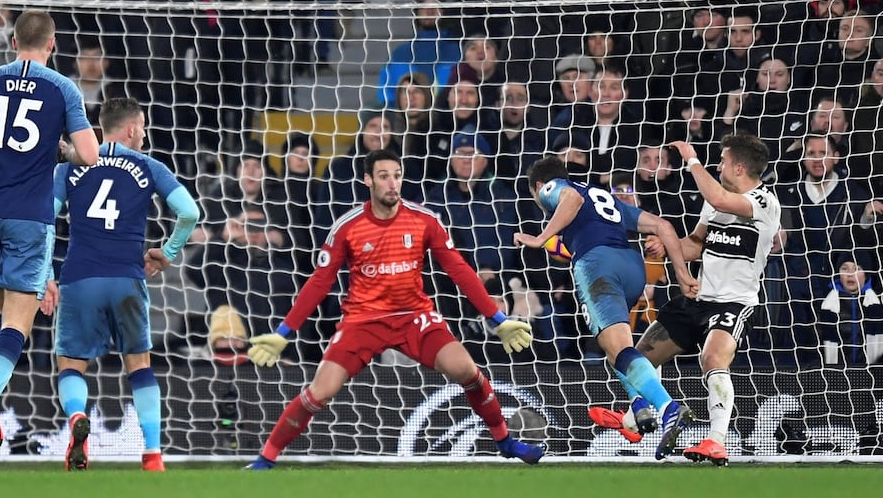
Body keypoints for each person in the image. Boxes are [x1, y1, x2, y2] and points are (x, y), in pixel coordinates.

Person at [244, 149, 543, 469]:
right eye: (384, 176)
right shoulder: (348, 226)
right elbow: (319, 283)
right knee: (320, 391)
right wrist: (283, 333)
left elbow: (459, 270)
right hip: (363, 320)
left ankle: (505, 441)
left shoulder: (424, 219)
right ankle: (266, 458)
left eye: (397, 176)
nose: (392, 184)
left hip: (414, 317)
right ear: (368, 180)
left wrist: (497, 319)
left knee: (467, 370)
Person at [0, 10, 100, 473]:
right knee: (17, 324)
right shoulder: (62, 88)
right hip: (30, 218)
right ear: (52, 45)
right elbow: (88, 154)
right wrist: (63, 150)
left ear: (13, 42)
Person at [590, 134, 780, 467]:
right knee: (632, 357)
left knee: (712, 357)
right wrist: (668, 248)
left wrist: (692, 160)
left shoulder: (764, 201)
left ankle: (717, 441)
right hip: (696, 298)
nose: (718, 166)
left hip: (734, 303)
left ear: (738, 166)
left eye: (721, 161)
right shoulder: (715, 201)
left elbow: (720, 199)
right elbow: (695, 243)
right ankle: (637, 419)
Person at [513, 156, 700, 461]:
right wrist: (683, 275)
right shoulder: (607, 201)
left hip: (598, 266)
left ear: (537, 186)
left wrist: (539, 238)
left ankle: (669, 409)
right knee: (618, 346)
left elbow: (569, 199)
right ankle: (639, 406)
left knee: (617, 346)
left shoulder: (554, 188)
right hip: (631, 267)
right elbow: (663, 226)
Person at [51, 97, 200, 471]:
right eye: (144, 127)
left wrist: (43, 275)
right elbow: (189, 212)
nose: (145, 134)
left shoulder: (69, 168)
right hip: (127, 277)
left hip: (80, 277)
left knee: (71, 364)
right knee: (139, 366)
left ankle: (75, 420)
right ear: (132, 128)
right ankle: (152, 454)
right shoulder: (148, 165)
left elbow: (45, 221)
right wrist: (168, 251)